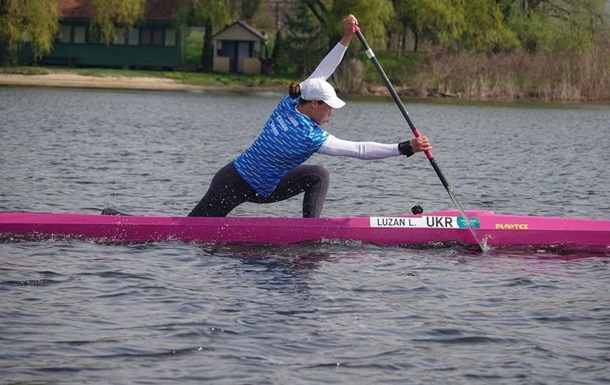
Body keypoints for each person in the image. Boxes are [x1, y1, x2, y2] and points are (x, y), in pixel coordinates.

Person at [188, 14, 431, 218]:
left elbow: (325, 69)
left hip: (263, 188)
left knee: (318, 175)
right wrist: (404, 147)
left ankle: (310, 232)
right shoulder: (308, 135)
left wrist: (347, 37)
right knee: (187, 232)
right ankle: (311, 235)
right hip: (232, 183)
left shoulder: (291, 100)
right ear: (314, 103)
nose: (332, 112)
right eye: (329, 107)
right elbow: (359, 150)